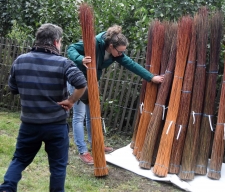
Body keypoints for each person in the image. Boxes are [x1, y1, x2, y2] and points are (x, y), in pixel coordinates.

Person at [0, 23, 87, 192]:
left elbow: (13, 88)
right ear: (56, 42)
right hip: (56, 125)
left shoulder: (20, 60)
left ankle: (6, 188)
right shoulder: (63, 63)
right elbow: (81, 83)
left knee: (19, 159)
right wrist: (71, 101)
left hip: (29, 124)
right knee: (58, 167)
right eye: (60, 42)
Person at [67, 24, 164, 165]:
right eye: (119, 51)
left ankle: (96, 144)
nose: (121, 54)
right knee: (79, 115)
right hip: (77, 80)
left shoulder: (116, 53)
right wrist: (80, 58)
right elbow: (71, 48)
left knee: (93, 114)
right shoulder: (93, 42)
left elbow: (131, 64)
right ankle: (83, 152)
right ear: (111, 46)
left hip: (92, 81)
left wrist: (151, 77)